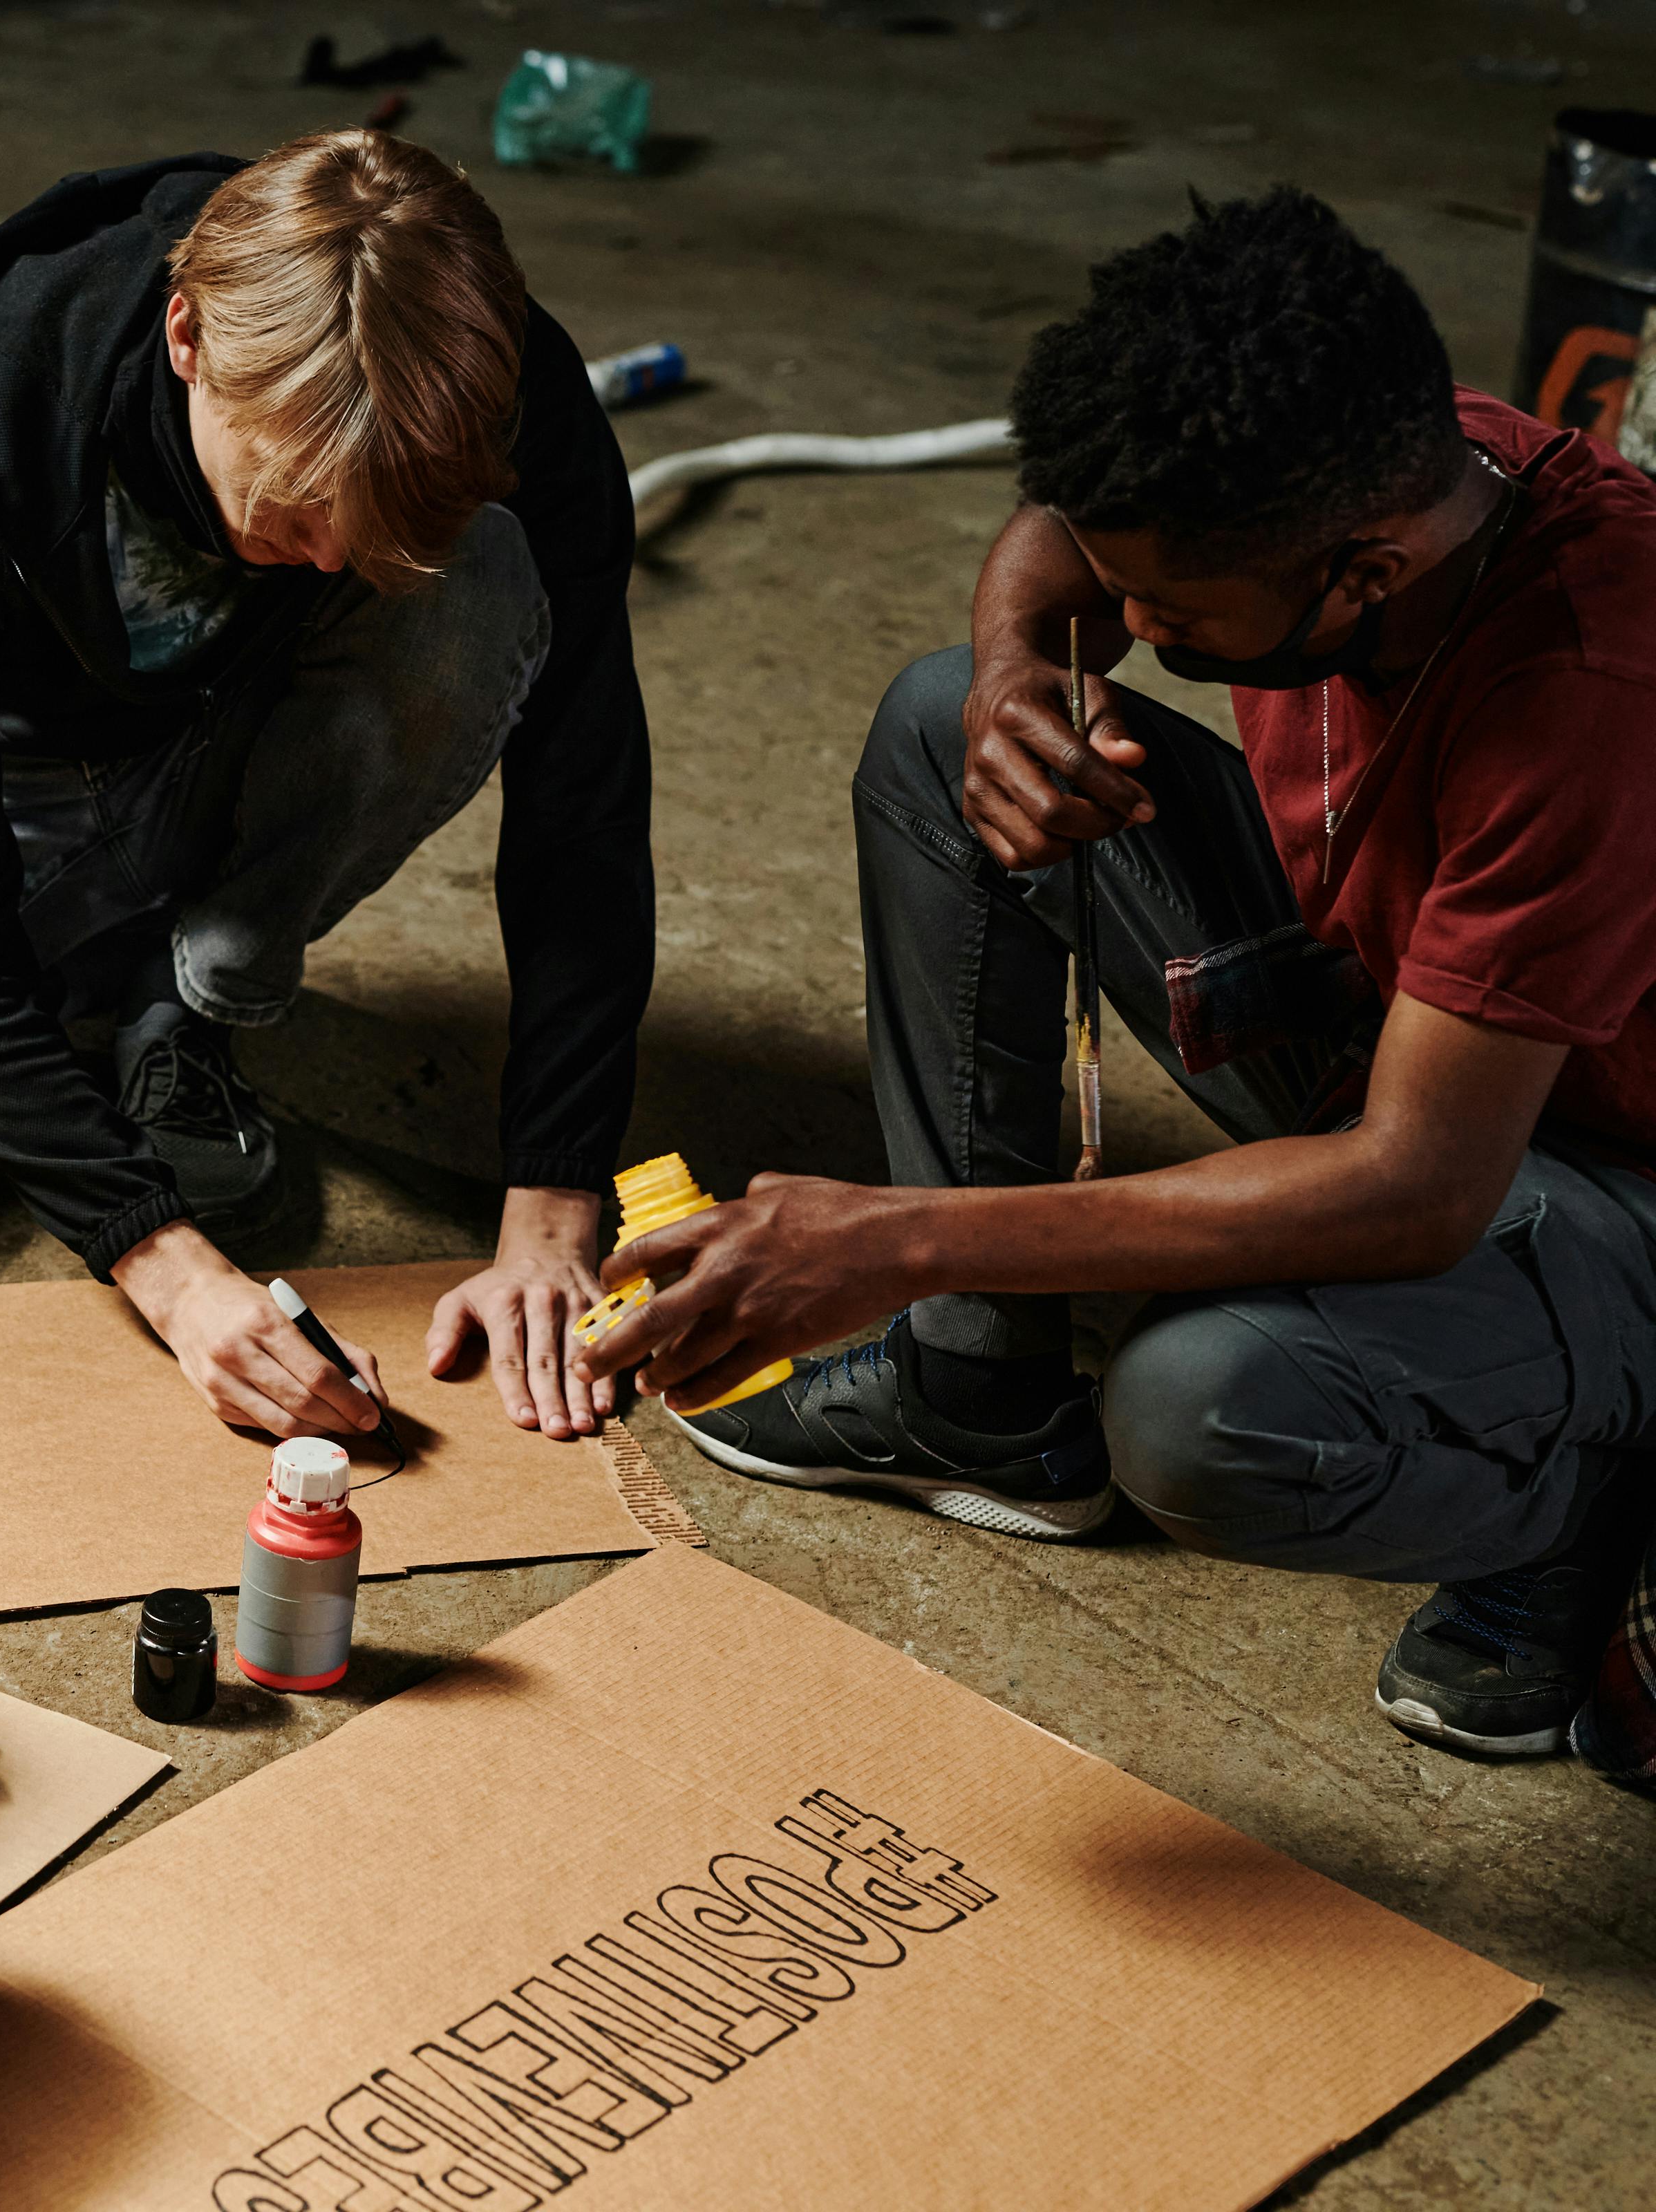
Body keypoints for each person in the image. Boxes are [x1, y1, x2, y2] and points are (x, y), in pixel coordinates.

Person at [571, 189, 1656, 1792]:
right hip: (1411, 1023)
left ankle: (1590, 1495)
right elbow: (1060, 544)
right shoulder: (1393, 465)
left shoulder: (1592, 688)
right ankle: (975, 1395)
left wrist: (890, 1236)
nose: (1129, 634)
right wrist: (1018, 671)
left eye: (1178, 619)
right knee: (949, 728)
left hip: (1595, 1163)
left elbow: (1414, 1188)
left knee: (1204, 1411)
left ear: (1364, 570)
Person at [0, 131, 654, 1450]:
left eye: (369, 532)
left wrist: (553, 1203)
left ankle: (185, 998)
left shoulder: (504, 386)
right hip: (6, 771)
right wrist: (166, 1267)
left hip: (263, 730)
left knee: (482, 586)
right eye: (291, 511)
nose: (328, 558)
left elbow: (585, 794)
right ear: (186, 338)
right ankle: (86, 983)